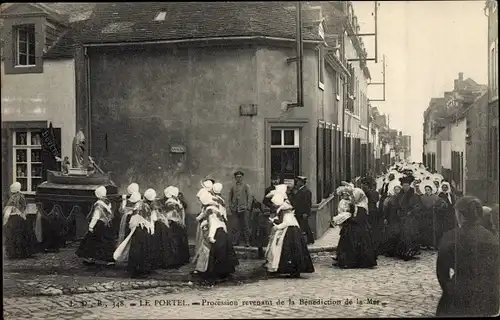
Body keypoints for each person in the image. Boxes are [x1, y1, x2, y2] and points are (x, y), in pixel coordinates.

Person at [436, 196, 500, 317]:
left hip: (459, 289)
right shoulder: (491, 237)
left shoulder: (450, 237)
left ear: (460, 215)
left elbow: (442, 272)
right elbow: (496, 270)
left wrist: (449, 290)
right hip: (485, 292)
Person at [264, 189, 315, 277]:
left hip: (290, 231)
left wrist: (277, 227)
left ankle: (291, 269)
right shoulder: (282, 208)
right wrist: (274, 221)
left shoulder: (285, 208)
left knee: (286, 249)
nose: (274, 205)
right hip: (288, 229)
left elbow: (287, 222)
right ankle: (281, 268)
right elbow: (281, 219)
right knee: (279, 248)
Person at [194, 189, 239, 281]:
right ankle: (224, 272)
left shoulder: (210, 210)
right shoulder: (214, 208)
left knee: (218, 252)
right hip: (222, 231)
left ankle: (218, 273)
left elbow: (213, 223)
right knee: (222, 252)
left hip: (216, 232)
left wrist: (210, 236)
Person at [113, 191, 156, 278]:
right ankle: (146, 269)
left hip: (139, 231)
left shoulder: (138, 206)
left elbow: (133, 221)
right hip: (146, 230)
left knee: (137, 250)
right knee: (145, 249)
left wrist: (130, 227)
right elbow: (152, 219)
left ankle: (137, 270)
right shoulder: (147, 206)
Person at [334, 187, 377, 269]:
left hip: (359, 229)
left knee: (357, 244)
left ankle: (355, 262)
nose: (352, 198)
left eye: (353, 197)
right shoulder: (354, 205)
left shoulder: (362, 207)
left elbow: (359, 219)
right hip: (352, 227)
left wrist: (348, 218)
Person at [76, 186, 115, 266]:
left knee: (91, 241)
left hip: (99, 225)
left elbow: (95, 217)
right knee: (107, 242)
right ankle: (109, 259)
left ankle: (90, 258)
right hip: (107, 224)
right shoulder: (108, 202)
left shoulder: (98, 204)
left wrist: (91, 226)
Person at [3, 182, 38, 259]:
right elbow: (24, 206)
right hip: (19, 217)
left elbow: (7, 208)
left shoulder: (11, 197)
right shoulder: (21, 196)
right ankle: (23, 253)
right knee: (22, 234)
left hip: (12, 218)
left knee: (12, 236)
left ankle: (13, 253)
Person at [392, 175, 422, 261]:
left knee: (409, 234)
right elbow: (396, 204)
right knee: (401, 234)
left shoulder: (414, 195)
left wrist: (411, 212)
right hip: (401, 217)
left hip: (411, 218)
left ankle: (410, 251)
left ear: (409, 186)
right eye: (404, 185)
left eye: (407, 185)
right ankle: (402, 251)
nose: (405, 187)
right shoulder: (399, 195)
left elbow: (418, 205)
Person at [162, 186, 190, 268]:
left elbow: (169, 215)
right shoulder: (178, 201)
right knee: (180, 241)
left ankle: (174, 261)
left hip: (173, 223)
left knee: (173, 242)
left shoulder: (170, 202)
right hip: (179, 223)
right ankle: (182, 259)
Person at [228, 171, 252, 246]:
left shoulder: (246, 186)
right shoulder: (233, 187)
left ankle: (247, 242)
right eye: (237, 177)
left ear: (242, 177)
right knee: (235, 226)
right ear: (235, 178)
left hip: (244, 209)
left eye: (240, 177)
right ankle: (235, 241)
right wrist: (231, 206)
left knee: (246, 225)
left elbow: (249, 197)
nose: (239, 178)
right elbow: (230, 197)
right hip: (235, 209)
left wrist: (248, 207)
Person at [289, 176, 314, 244]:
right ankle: (307, 240)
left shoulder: (306, 191)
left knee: (305, 226)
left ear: (302, 182)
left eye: (299, 181)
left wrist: (306, 213)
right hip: (298, 211)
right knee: (303, 226)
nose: (297, 183)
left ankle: (310, 239)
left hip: (303, 212)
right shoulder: (299, 190)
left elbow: (308, 203)